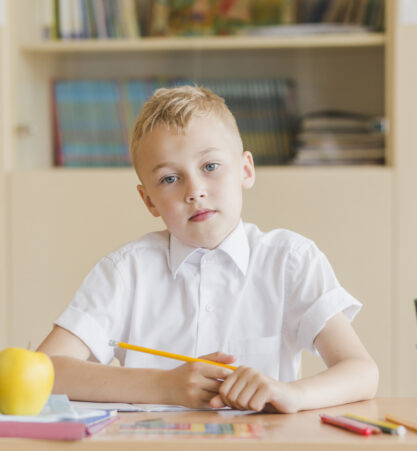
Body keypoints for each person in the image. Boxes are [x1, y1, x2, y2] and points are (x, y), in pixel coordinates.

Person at [37, 85, 378, 412]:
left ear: (246, 169)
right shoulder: (125, 271)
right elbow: (45, 372)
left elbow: (362, 372)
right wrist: (163, 386)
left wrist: (290, 393)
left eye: (210, 167)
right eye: (170, 179)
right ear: (149, 200)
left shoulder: (291, 260)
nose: (195, 190)